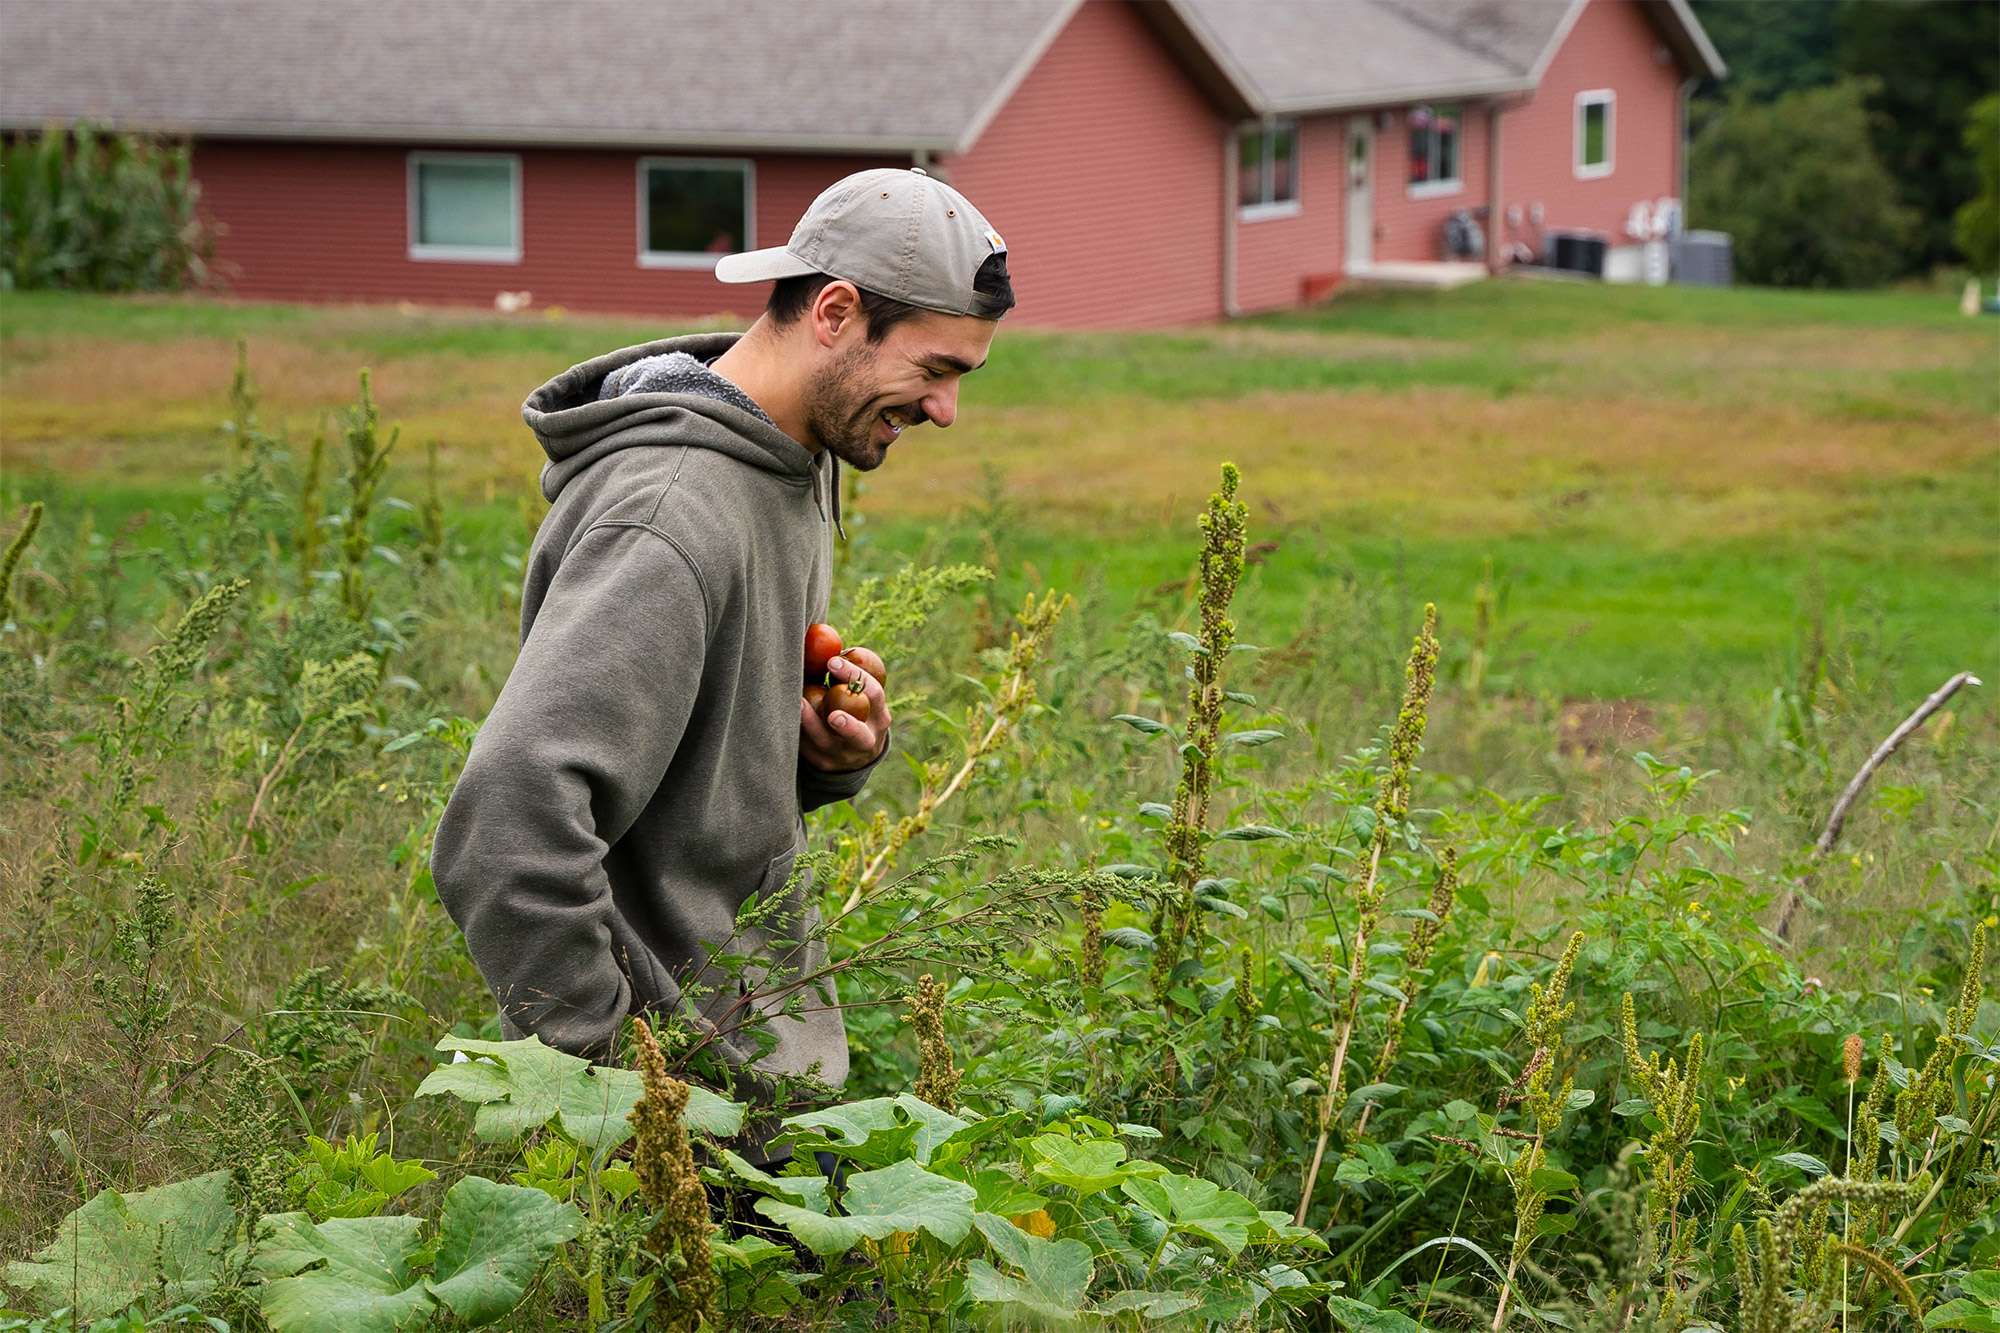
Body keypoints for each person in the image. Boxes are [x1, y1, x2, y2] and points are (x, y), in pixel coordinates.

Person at [430, 167, 1015, 1098]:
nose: (945, 409)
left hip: (751, 1064)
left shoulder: (793, 458)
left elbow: (686, 782)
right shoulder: (670, 516)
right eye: (935, 369)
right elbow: (508, 820)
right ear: (833, 312)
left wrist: (818, 753)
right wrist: (620, 1085)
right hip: (674, 1111)